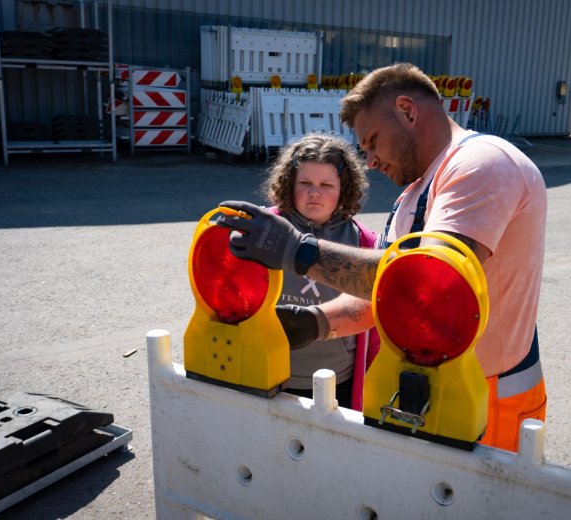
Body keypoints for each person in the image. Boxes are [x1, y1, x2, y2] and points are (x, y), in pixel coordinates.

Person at [217, 63, 547, 452]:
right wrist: (317, 323)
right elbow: (384, 293)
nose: (370, 161)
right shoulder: (415, 193)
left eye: (372, 140)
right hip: (428, 392)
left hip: (489, 397)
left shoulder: (483, 164)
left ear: (407, 111)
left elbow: (426, 286)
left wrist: (297, 250)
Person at [260, 133, 379, 411]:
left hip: (340, 379)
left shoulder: (365, 242)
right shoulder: (266, 230)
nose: (315, 193)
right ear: (289, 184)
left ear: (344, 188)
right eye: (305, 183)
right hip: (272, 374)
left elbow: (374, 324)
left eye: (326, 184)